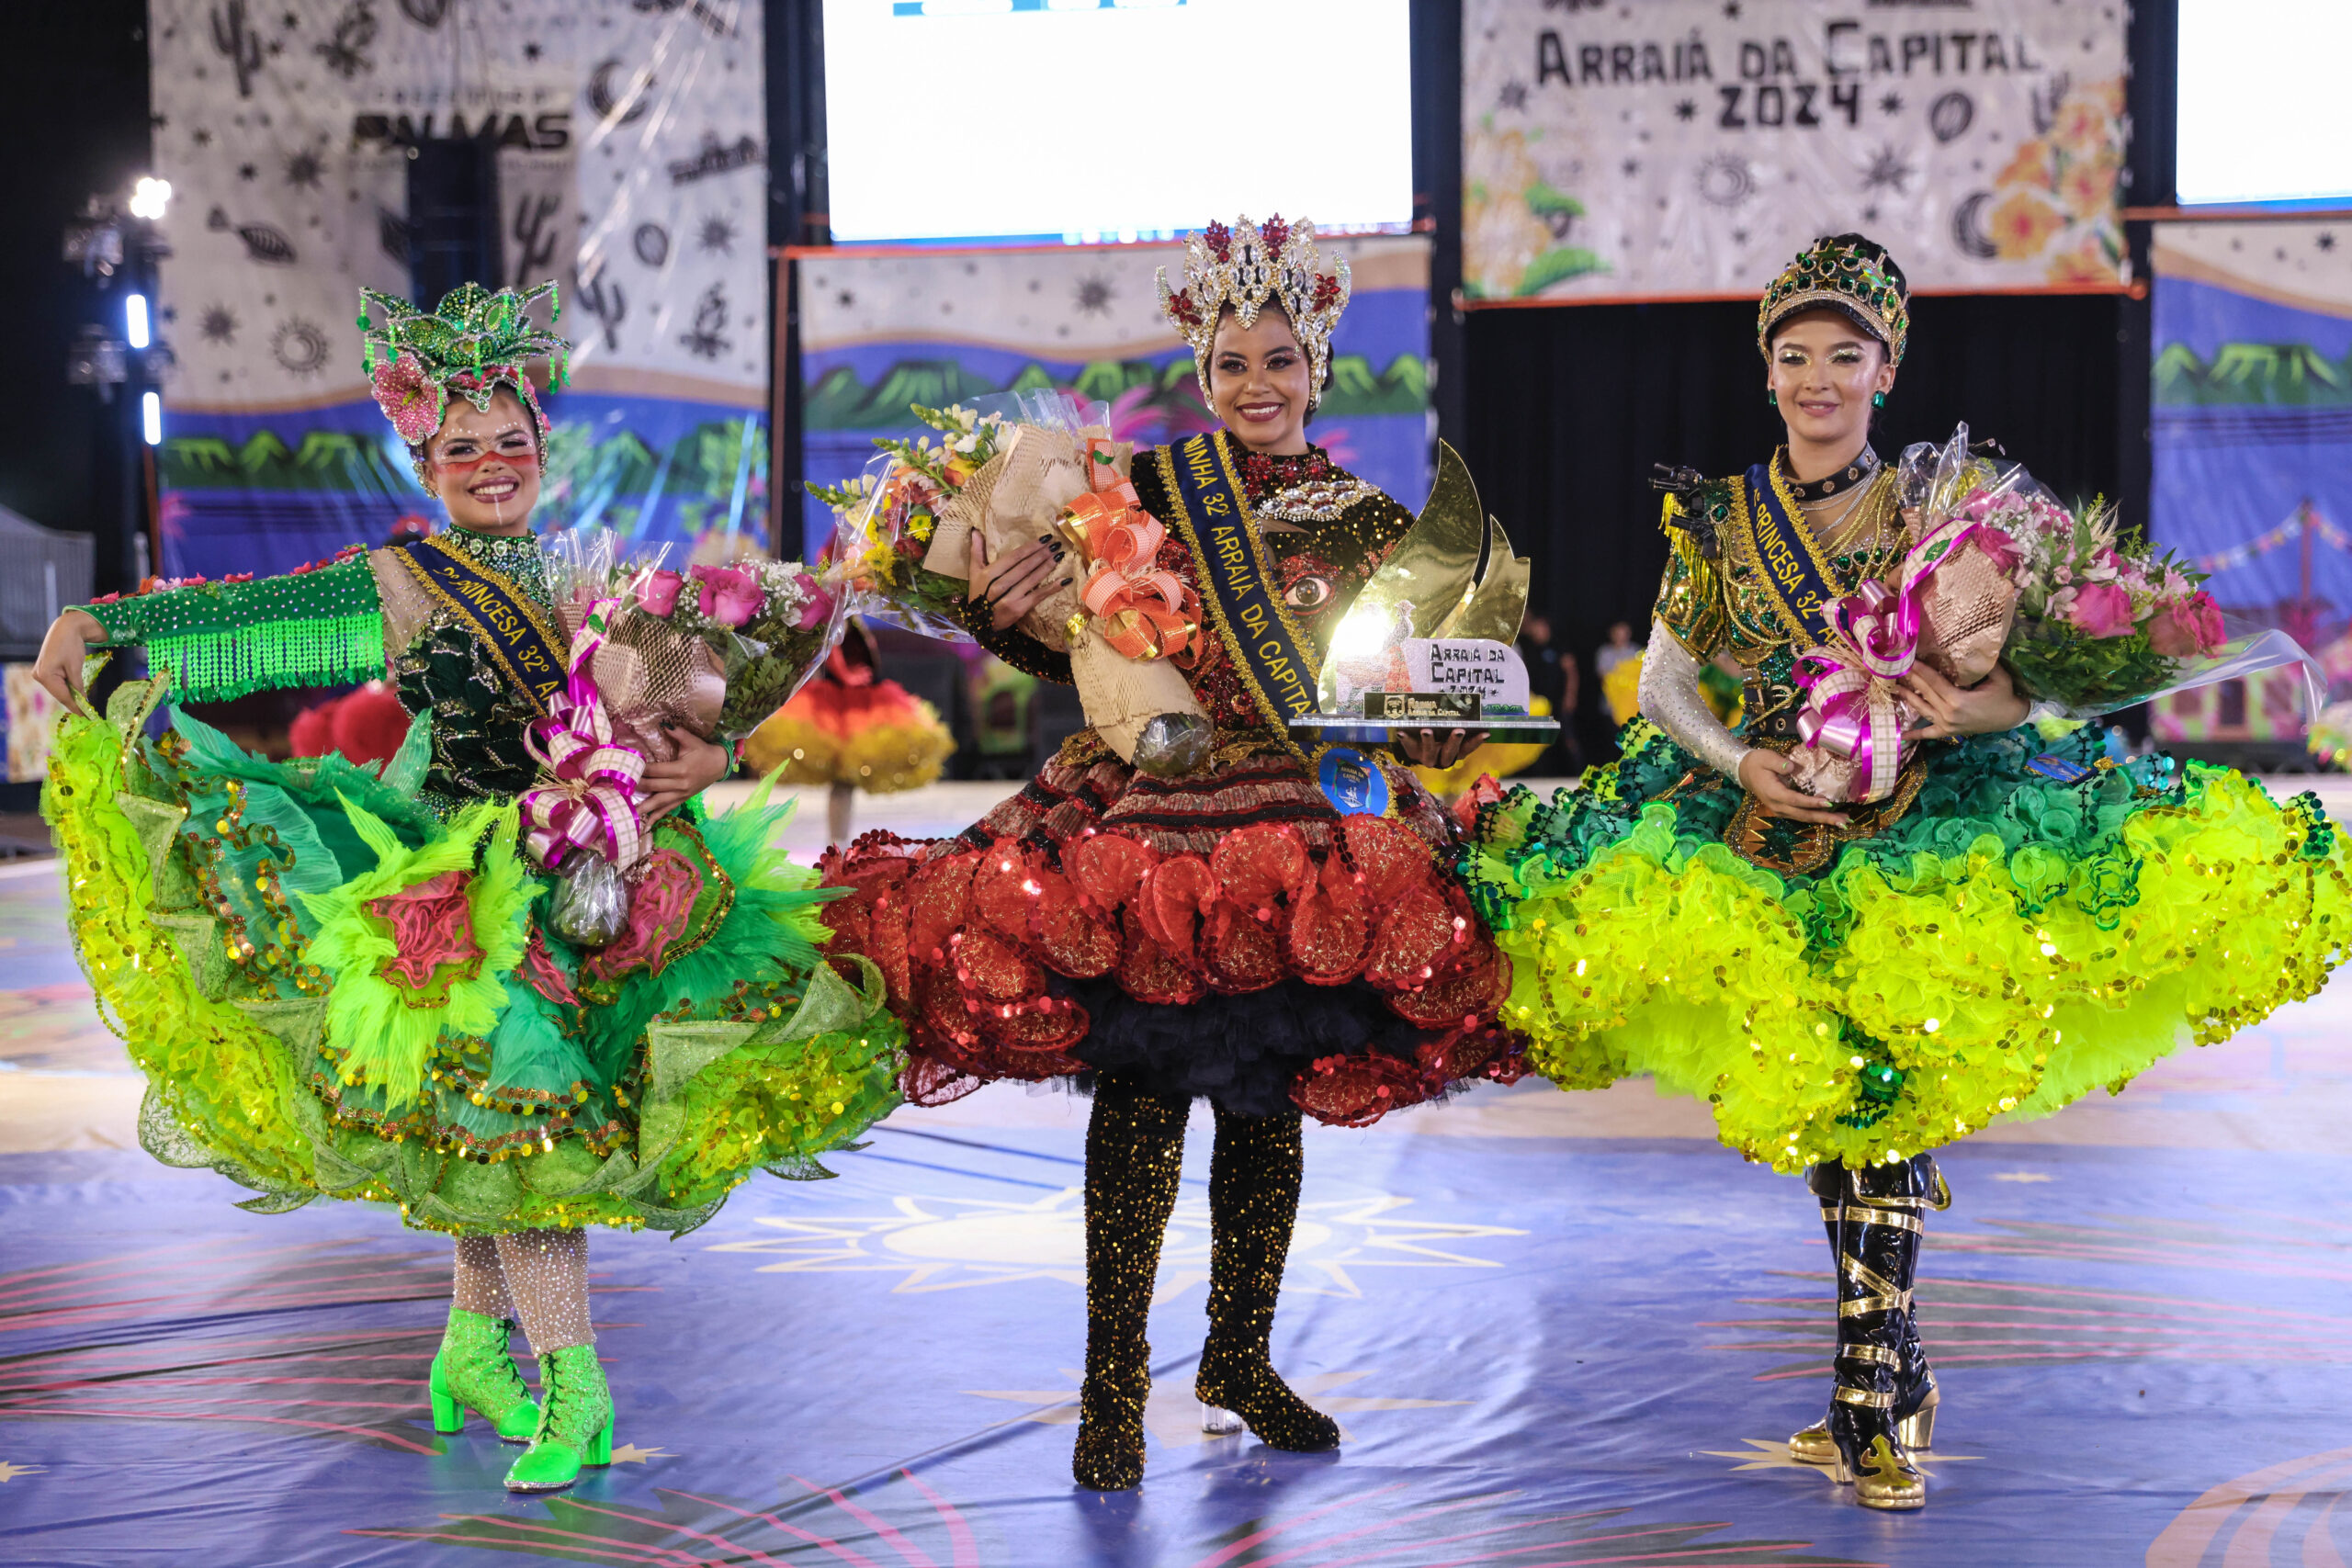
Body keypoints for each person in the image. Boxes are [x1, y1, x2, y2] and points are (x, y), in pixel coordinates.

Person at [1455, 234, 2349, 1512]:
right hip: (1762, 832)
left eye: (1847, 355)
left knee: (1881, 1101)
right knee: (1837, 1107)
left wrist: (1945, 711)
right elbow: (1659, 685)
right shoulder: (1714, 518)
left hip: (1930, 842)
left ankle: (1871, 1394)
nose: (1820, 378)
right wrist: (1737, 760)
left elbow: (2025, 691)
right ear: (1767, 373)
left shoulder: (1947, 514)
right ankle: (1899, 1365)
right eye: (1796, 355)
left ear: (1887, 368)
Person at [31, 282, 905, 1495]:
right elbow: (238, 611)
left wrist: (728, 736)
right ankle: (576, 1387)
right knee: (520, 1124)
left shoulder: (596, 581)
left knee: (495, 1129)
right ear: (423, 460)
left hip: (591, 870)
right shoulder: (392, 583)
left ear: (544, 451)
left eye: (512, 442)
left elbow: (749, 656)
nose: (491, 464)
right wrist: (97, 615)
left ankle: (465, 1351)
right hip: (457, 893)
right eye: (462, 448)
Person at [818, 216, 1521, 1490]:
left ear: (1316, 368)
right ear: (1204, 378)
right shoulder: (1132, 494)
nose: (1258, 384)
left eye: (1280, 360)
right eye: (1233, 364)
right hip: (1149, 824)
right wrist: (1009, 606)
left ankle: (1239, 1354)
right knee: (1140, 1094)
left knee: (1266, 1095)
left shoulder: (1371, 522)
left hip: (1302, 831)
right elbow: (1089, 662)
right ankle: (1110, 1385)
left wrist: (1457, 700)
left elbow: (1413, 698)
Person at [742, 618, 956, 845]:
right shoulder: (836, 615)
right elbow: (826, 651)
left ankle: (838, 842)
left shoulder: (851, 619)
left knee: (845, 782)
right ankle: (837, 842)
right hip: (837, 707)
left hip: (857, 704)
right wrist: (842, 673)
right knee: (843, 780)